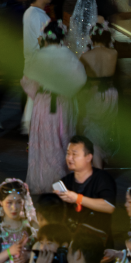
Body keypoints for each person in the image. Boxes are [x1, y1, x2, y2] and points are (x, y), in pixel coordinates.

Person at [23, 24, 87, 196]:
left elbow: (27, 81)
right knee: (63, 142)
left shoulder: (38, 56)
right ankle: (62, 183)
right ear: (62, 38)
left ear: (45, 38)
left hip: (44, 103)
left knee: (45, 143)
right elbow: (81, 79)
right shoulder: (68, 55)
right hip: (63, 103)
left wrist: (37, 93)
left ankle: (44, 183)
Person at [78, 17, 119, 167]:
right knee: (106, 126)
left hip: (93, 93)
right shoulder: (113, 53)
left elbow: (82, 78)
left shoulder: (85, 56)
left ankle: (97, 161)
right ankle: (102, 157)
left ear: (91, 37)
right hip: (110, 93)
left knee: (92, 127)